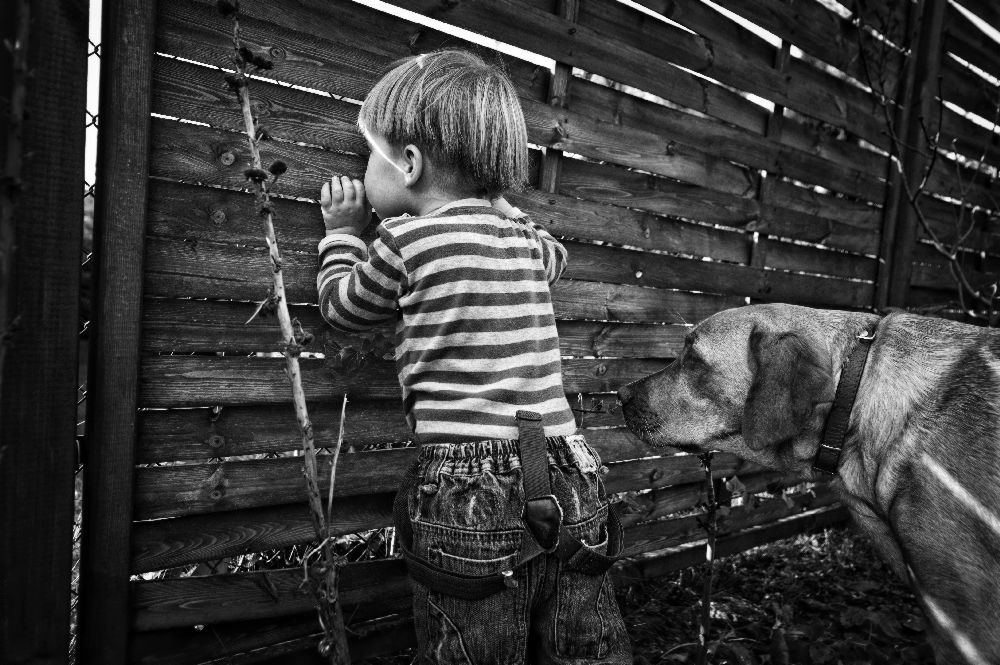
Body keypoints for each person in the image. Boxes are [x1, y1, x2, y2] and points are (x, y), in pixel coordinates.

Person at [316, 49, 631, 664]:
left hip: (466, 486)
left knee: (477, 646)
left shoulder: (404, 242)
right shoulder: (523, 242)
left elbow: (342, 307)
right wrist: (503, 207)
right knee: (583, 643)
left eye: (370, 158)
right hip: (567, 470)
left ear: (407, 165)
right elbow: (555, 255)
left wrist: (340, 234)